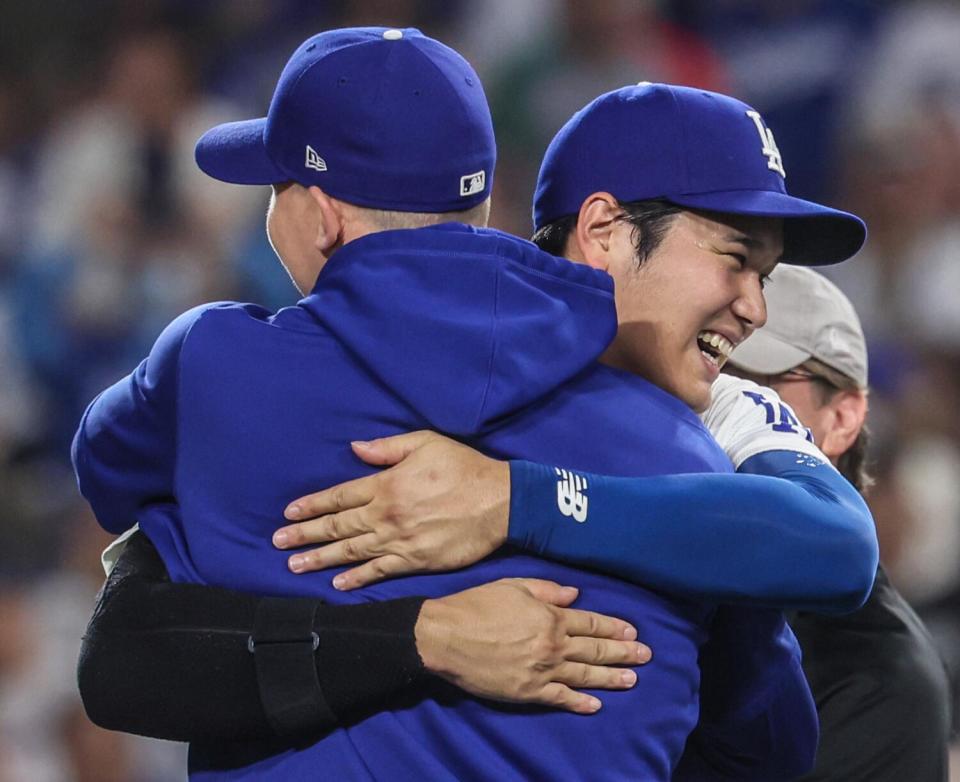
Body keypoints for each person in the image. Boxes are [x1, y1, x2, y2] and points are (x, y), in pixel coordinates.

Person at [72, 30, 872, 779]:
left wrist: (516, 499)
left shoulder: (219, 371)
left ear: (318, 213)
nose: (755, 309)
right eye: (735, 259)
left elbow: (105, 477)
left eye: (759, 275)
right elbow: (770, 740)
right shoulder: (687, 458)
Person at [724, 264, 951, 782]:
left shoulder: (876, 673)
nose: (720, 403)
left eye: (754, 384)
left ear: (844, 416)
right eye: (712, 373)